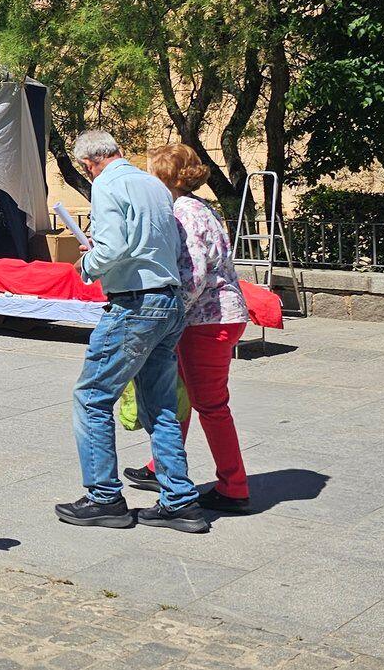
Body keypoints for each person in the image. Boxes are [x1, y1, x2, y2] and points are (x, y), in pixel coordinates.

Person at [57, 130, 207, 533]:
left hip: (135, 304)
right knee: (159, 405)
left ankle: (104, 497)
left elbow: (112, 247)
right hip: (168, 300)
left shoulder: (107, 184)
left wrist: (86, 267)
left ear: (89, 163)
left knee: (92, 396)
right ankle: (180, 500)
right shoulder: (153, 185)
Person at [127, 144, 253, 514]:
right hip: (213, 317)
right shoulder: (198, 207)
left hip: (206, 321)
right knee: (177, 392)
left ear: (164, 177)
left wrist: (163, 313)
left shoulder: (182, 212)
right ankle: (161, 465)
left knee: (210, 405)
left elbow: (193, 274)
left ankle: (234, 486)